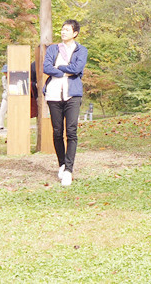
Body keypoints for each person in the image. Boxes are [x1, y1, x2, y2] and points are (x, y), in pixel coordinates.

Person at [43, 19, 88, 187]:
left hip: (72, 95)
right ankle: (62, 164)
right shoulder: (53, 49)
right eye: (62, 29)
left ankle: (69, 169)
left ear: (75, 33)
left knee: (71, 131)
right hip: (53, 94)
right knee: (57, 132)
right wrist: (64, 71)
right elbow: (46, 67)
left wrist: (59, 67)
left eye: (67, 30)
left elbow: (77, 69)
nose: (63, 32)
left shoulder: (81, 50)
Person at [0, 64, 8, 131]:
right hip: (6, 96)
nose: (5, 73)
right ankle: (0, 125)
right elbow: (5, 87)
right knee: (2, 111)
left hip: (13, 96)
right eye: (4, 72)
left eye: (6, 72)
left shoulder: (13, 77)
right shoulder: (3, 78)